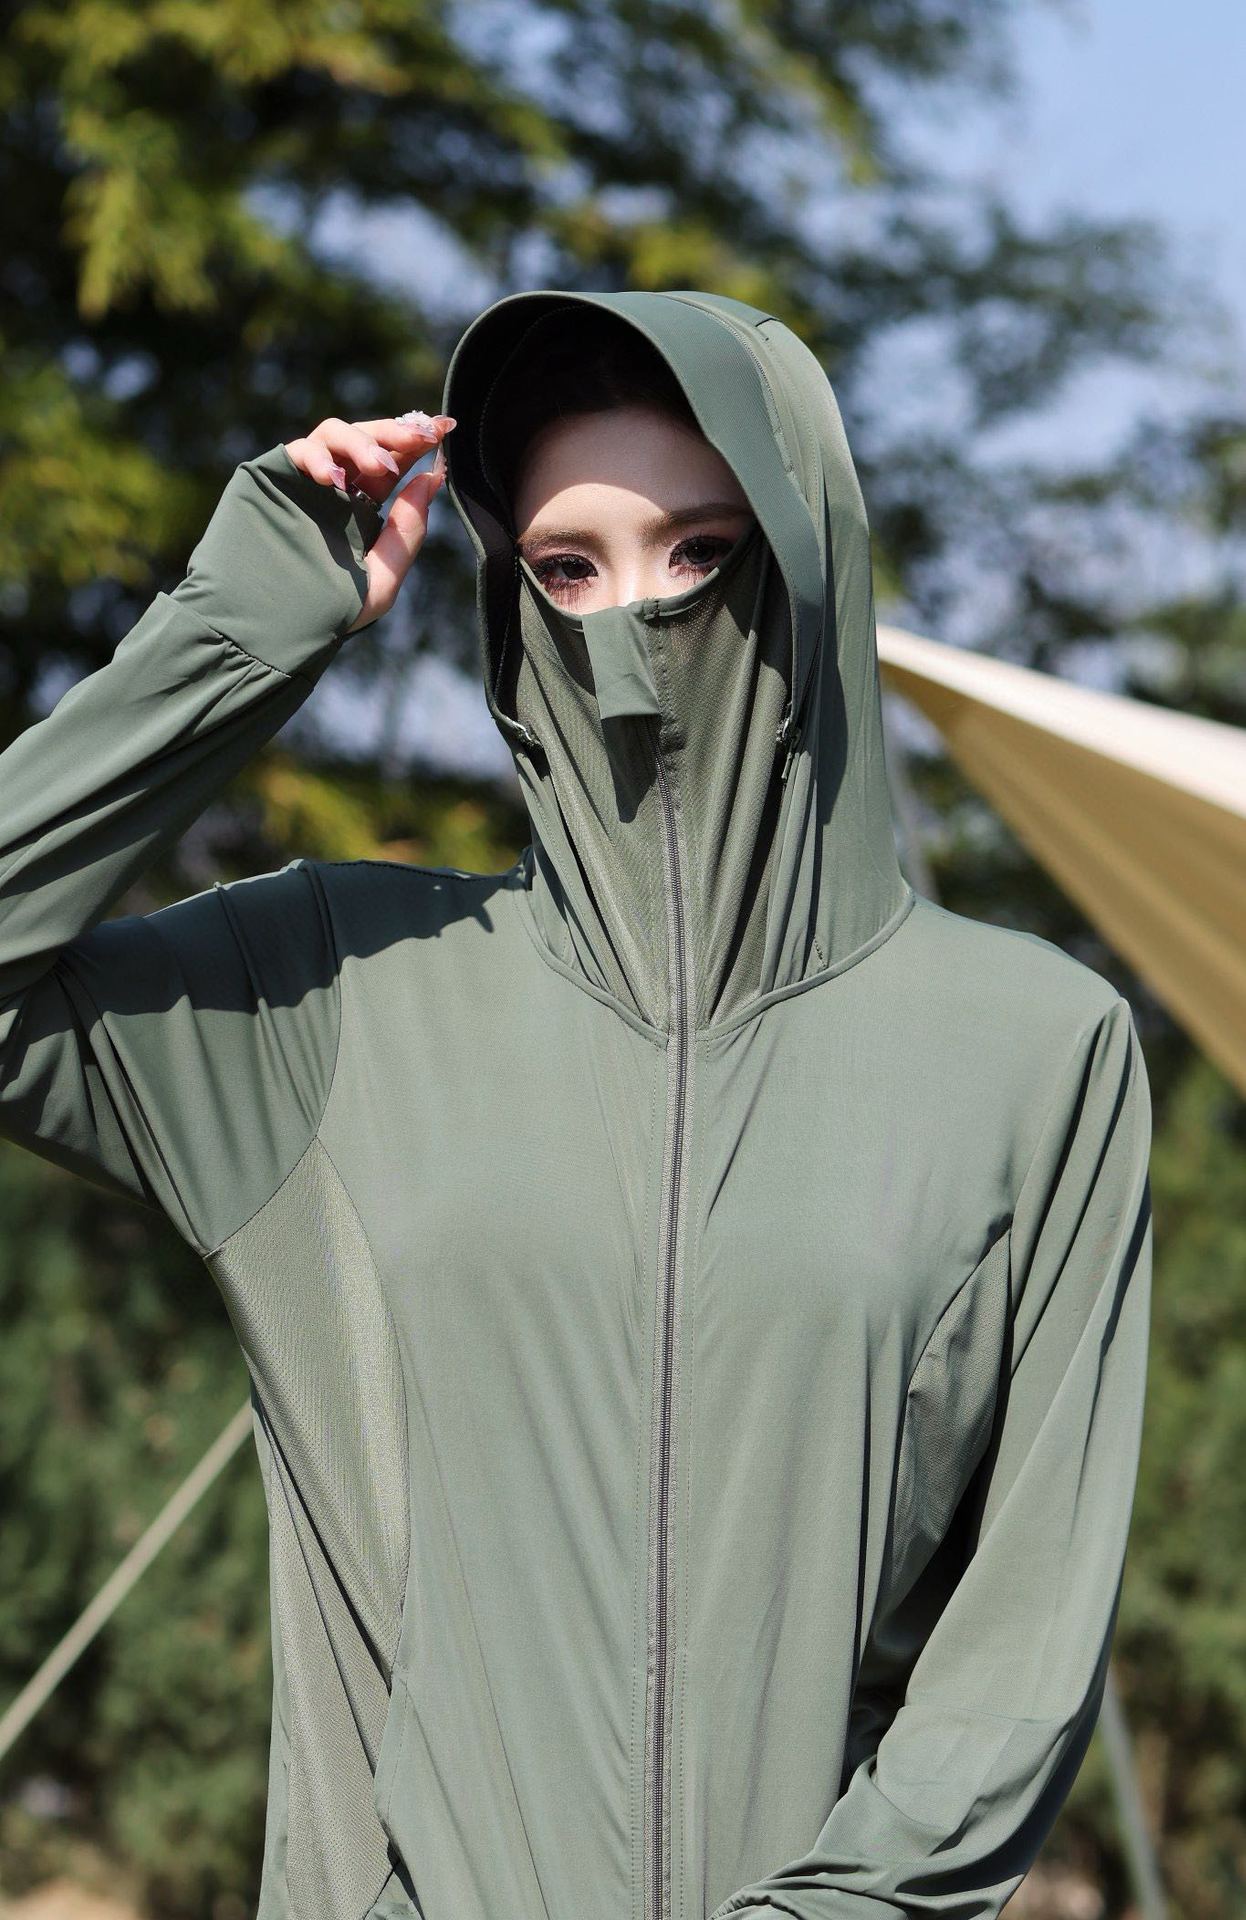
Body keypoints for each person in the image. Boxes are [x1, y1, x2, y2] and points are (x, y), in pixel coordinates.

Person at [0, 289, 1153, 1920]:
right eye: (566, 568)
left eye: (698, 552)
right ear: (508, 595)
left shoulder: (1032, 1050)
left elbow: (1015, 1653)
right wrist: (239, 629)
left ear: (805, 563)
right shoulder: (335, 989)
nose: (633, 625)